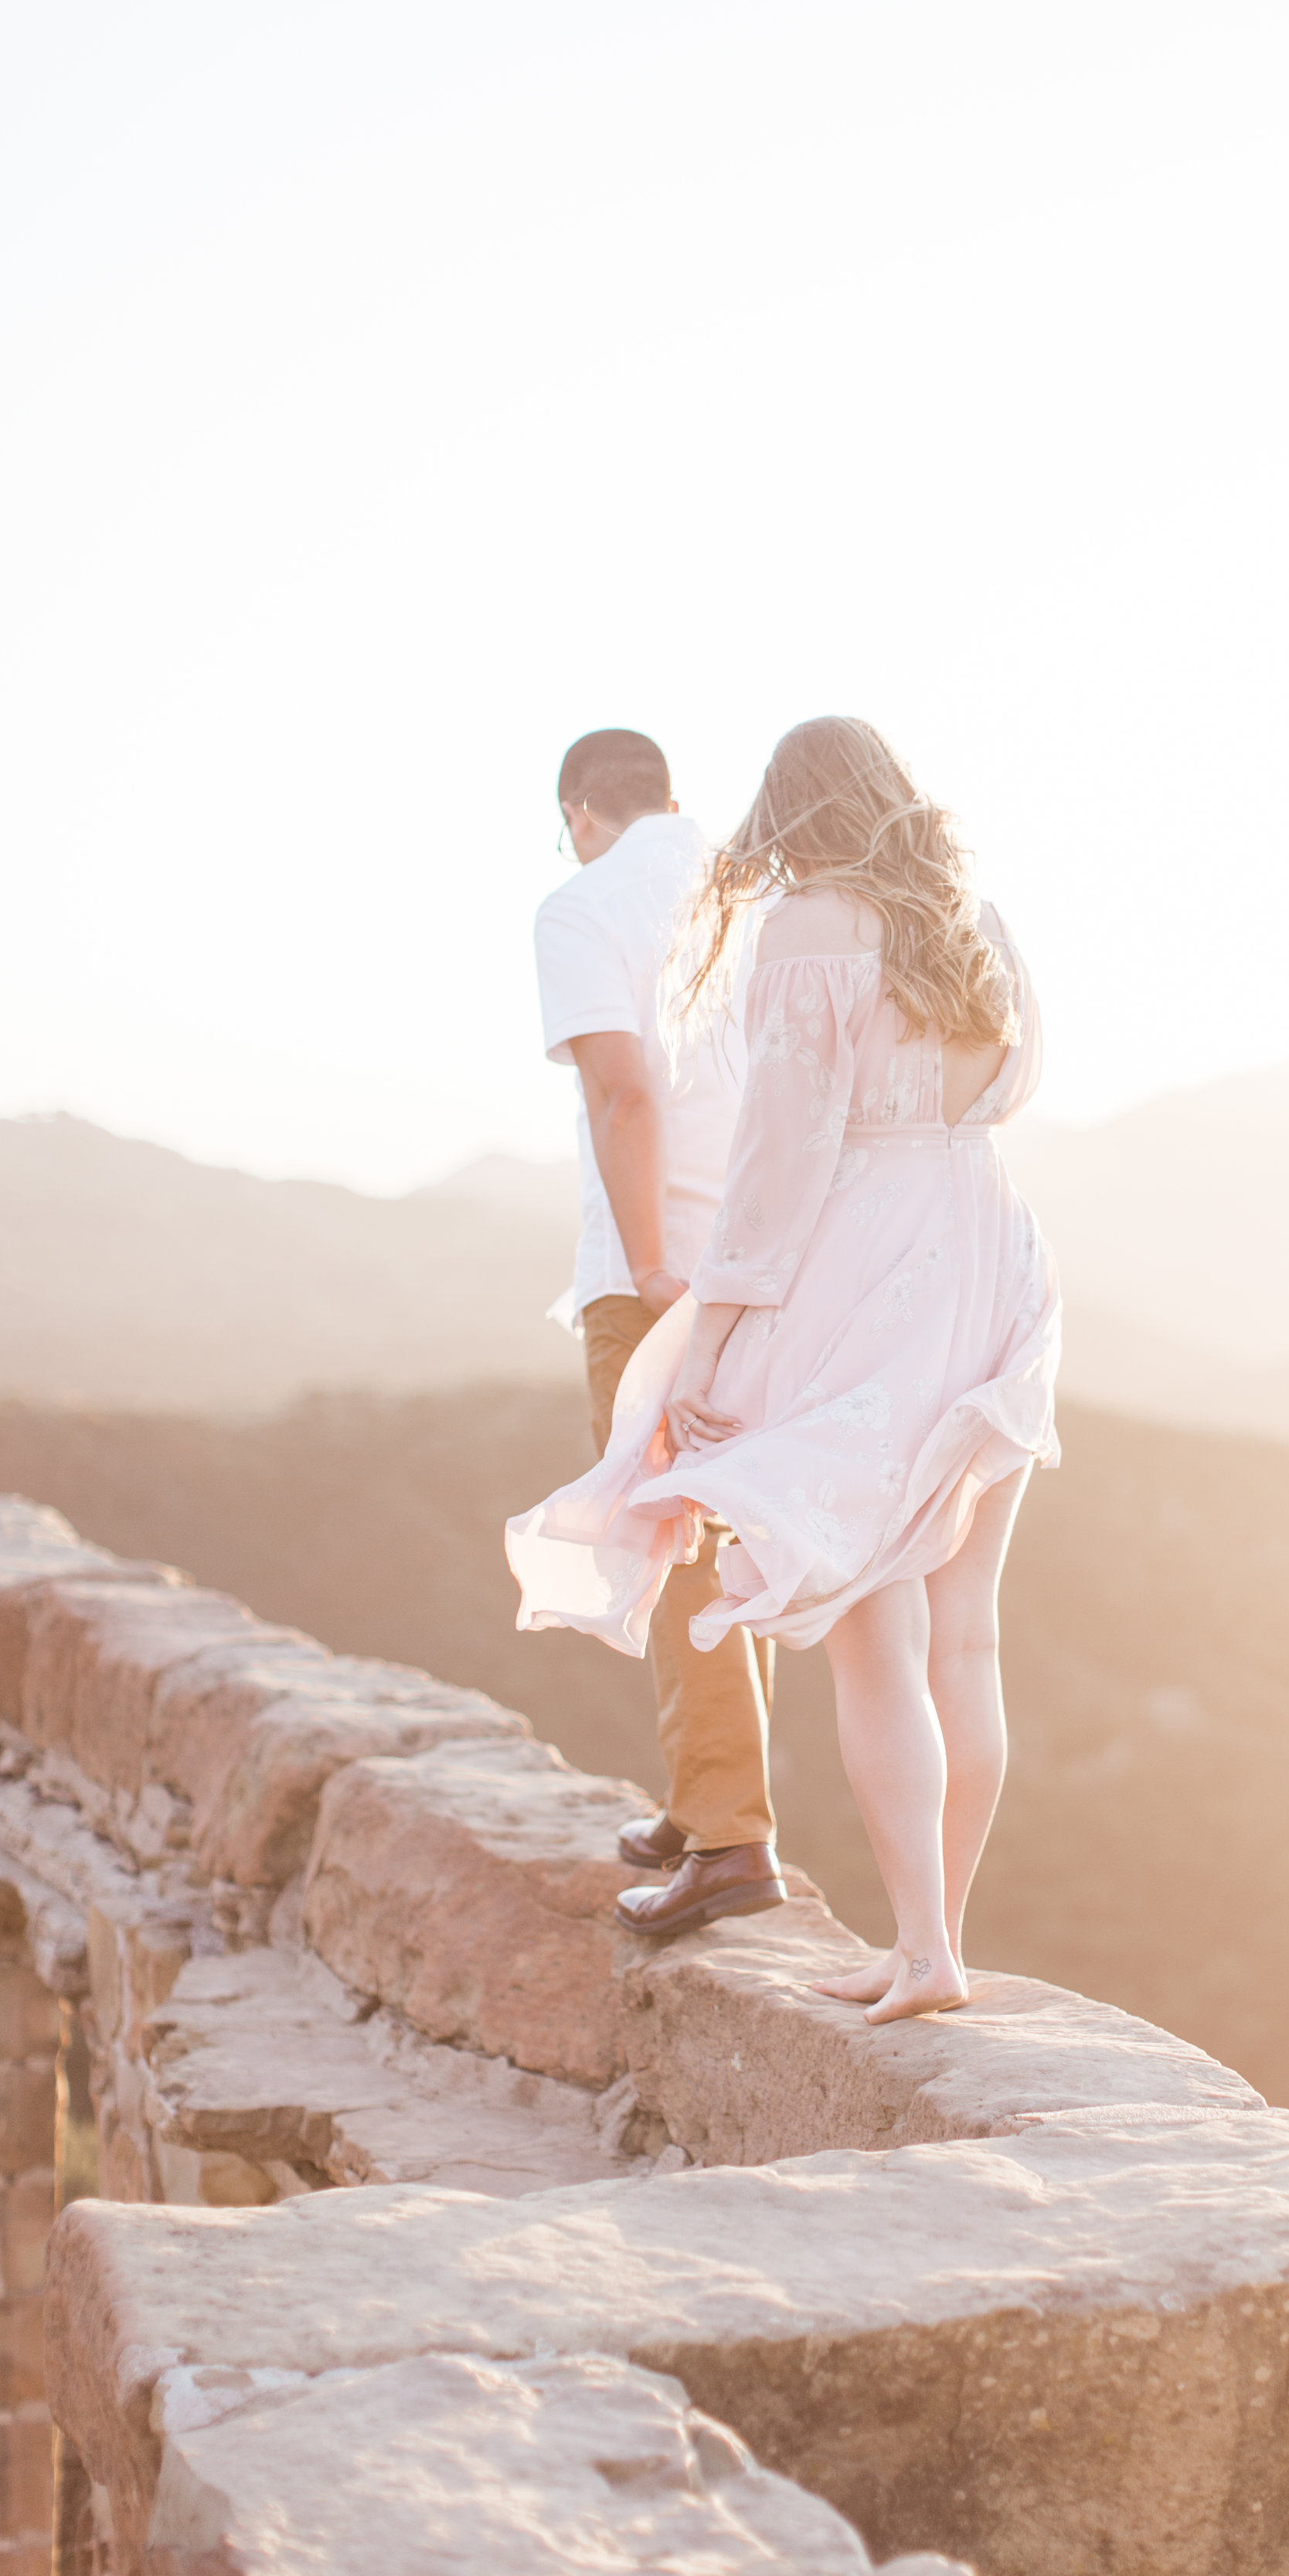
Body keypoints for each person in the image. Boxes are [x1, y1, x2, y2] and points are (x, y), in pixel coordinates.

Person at [508, 717, 1060, 2021]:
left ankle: (923, 1949)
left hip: (872, 1273)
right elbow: (1016, 1082)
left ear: (790, 813)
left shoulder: (811, 925)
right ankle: (939, 1943)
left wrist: (715, 1325)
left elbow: (783, 1154)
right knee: (966, 1636)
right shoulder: (972, 917)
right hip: (994, 1250)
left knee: (876, 1634)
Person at [532, 726, 781, 1927]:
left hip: (661, 1271)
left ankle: (731, 1841)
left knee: (667, 1527)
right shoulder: (751, 888)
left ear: (583, 810)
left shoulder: (583, 905)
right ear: (670, 798)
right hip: (768, 1266)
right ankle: (708, 1800)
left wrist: (646, 1267)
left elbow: (622, 1087)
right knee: (726, 1530)